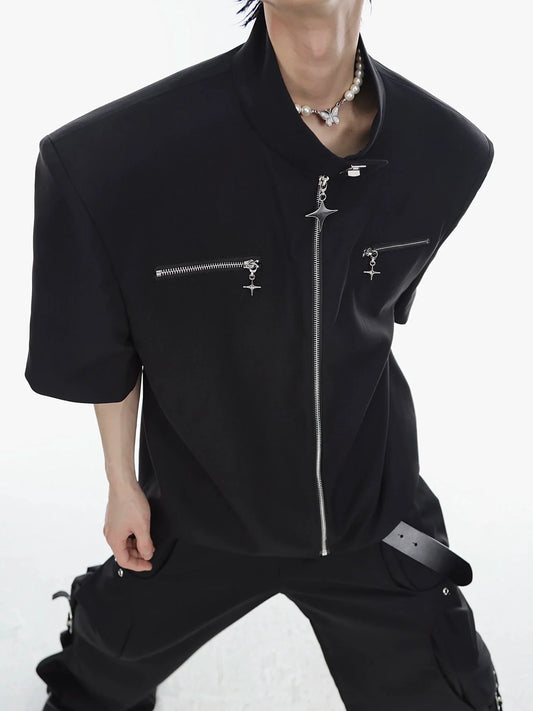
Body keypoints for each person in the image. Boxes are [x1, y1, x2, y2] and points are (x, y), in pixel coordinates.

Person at [25, 0, 503, 709]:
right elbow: (107, 343)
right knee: (100, 669)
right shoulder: (120, 157)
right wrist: (121, 483)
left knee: (451, 689)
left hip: (371, 511)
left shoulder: (446, 151)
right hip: (199, 510)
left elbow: (377, 308)